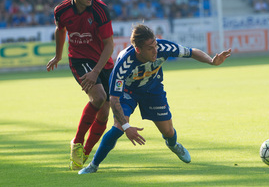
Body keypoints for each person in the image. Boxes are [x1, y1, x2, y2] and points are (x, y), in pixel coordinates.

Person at [78, 24, 231, 174]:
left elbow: (192, 52)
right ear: (138, 50)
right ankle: (93, 165)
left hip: (152, 89)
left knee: (169, 131)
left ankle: (173, 145)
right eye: (150, 48)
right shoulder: (124, 64)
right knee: (118, 128)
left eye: (155, 45)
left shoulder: (164, 48)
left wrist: (212, 61)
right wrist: (126, 127)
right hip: (127, 92)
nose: (155, 51)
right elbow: (114, 99)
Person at [46, 0, 114, 170]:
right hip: (79, 59)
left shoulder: (100, 10)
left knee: (104, 113)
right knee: (99, 97)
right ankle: (77, 142)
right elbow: (60, 30)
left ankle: (84, 154)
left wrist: (96, 71)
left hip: (103, 61)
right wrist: (59, 56)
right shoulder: (61, 10)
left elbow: (109, 45)